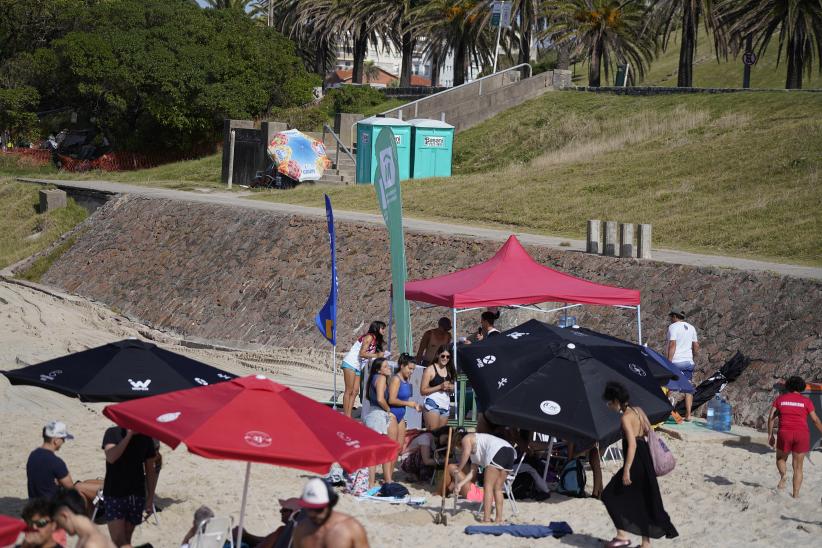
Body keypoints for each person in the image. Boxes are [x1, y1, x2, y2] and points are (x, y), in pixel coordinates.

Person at [600, 381, 678, 548]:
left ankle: (621, 536)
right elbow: (649, 432)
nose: (608, 405)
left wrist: (626, 470)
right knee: (643, 499)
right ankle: (646, 544)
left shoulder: (625, 418)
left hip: (635, 462)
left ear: (616, 401)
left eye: (609, 402)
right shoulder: (639, 411)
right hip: (646, 460)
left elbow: (632, 445)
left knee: (608, 495)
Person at [101, 427, 158, 547]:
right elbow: (111, 457)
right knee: (118, 541)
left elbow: (150, 469)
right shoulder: (112, 433)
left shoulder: (146, 437)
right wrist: (128, 436)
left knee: (126, 539)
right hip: (114, 493)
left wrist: (150, 497)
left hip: (136, 495)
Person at [768, 375, 822, 498]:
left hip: (785, 433)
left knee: (780, 459)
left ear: (788, 386)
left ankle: (783, 476)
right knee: (798, 467)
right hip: (802, 434)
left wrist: (770, 435)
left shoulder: (780, 399)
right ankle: (796, 495)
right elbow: (815, 420)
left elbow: (771, 417)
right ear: (802, 387)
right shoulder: (806, 401)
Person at [451, 430, 515, 523]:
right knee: (497, 488)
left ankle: (486, 519)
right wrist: (460, 484)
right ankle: (498, 519)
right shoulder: (475, 450)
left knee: (488, 487)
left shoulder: (466, 438)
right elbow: (472, 472)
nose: (461, 450)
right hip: (510, 451)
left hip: (497, 451)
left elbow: (465, 454)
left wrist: (459, 469)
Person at [292, 478, 369, 548]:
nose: (313, 514)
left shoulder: (351, 528)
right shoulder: (301, 530)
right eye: (309, 508)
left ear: (331, 503)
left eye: (319, 509)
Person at [340, 321, 387, 418]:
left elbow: (368, 355)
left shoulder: (375, 340)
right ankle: (346, 416)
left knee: (355, 391)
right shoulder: (369, 337)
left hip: (358, 365)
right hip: (351, 362)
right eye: (382, 328)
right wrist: (376, 355)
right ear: (377, 328)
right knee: (349, 390)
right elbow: (362, 353)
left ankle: (348, 415)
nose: (384, 331)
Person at [362, 358, 396, 486]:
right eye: (386, 366)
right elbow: (380, 399)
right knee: (376, 452)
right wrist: (389, 411)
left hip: (373, 414)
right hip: (377, 416)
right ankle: (372, 483)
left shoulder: (373, 378)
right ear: (379, 369)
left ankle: (378, 481)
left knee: (376, 451)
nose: (389, 368)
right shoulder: (381, 378)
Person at [665, 307, 699, 421]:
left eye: (671, 316)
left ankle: (667, 412)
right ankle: (688, 415)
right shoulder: (691, 328)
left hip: (676, 361)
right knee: (688, 388)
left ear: (675, 316)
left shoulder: (673, 327)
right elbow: (696, 346)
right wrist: (692, 357)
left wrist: (668, 362)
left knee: (670, 387)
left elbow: (672, 345)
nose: (670, 319)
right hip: (688, 362)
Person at [225, 498, 301, 548]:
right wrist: (246, 536)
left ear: (293, 513)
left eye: (284, 510)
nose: (280, 512)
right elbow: (265, 540)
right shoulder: (298, 535)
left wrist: (244, 537)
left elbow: (264, 545)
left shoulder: (282, 531)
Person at [388, 354, 423, 463]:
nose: (411, 371)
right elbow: (391, 400)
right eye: (410, 368)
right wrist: (409, 404)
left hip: (401, 415)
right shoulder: (396, 379)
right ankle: (387, 477)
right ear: (402, 366)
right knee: (391, 448)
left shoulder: (407, 379)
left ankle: (389, 476)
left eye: (413, 369)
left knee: (399, 449)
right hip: (392, 414)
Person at [27, 421, 75, 500]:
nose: (64, 441)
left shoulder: (33, 455)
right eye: (63, 439)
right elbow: (71, 489)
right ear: (56, 440)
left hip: (33, 505)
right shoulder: (56, 462)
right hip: (51, 508)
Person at [51, 490, 115, 548]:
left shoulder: (91, 544)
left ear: (64, 515)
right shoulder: (92, 533)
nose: (57, 527)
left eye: (58, 522)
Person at [419, 345, 456, 430]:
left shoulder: (449, 370)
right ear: (438, 355)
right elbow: (422, 391)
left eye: (448, 357)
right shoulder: (430, 369)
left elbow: (450, 391)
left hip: (445, 405)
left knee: (441, 435)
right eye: (443, 356)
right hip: (432, 403)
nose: (445, 358)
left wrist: (451, 388)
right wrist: (440, 386)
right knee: (433, 434)